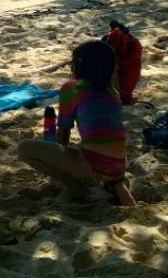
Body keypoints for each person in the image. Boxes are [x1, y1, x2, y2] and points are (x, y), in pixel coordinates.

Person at [17, 40, 135, 206]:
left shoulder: (72, 88)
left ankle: (74, 187)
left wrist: (62, 164)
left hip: (94, 163)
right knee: (88, 147)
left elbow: (63, 132)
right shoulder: (112, 92)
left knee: (24, 148)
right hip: (119, 164)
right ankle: (115, 183)